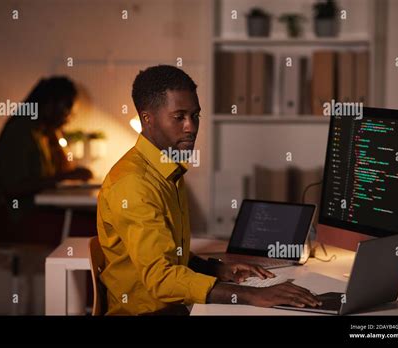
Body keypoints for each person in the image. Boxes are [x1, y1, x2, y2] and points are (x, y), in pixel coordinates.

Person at [97, 65, 321, 315]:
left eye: (195, 116)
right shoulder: (133, 184)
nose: (191, 127)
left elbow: (168, 252)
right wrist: (252, 294)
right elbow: (161, 279)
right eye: (179, 117)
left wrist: (217, 269)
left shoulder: (168, 169)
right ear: (147, 118)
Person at [0, 76, 95, 245]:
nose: (69, 116)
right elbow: (14, 187)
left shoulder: (42, 131)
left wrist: (56, 135)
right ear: (49, 105)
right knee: (94, 230)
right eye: (67, 108)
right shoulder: (21, 130)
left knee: (99, 223)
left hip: (31, 211)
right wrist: (65, 176)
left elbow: (63, 168)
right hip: (9, 217)